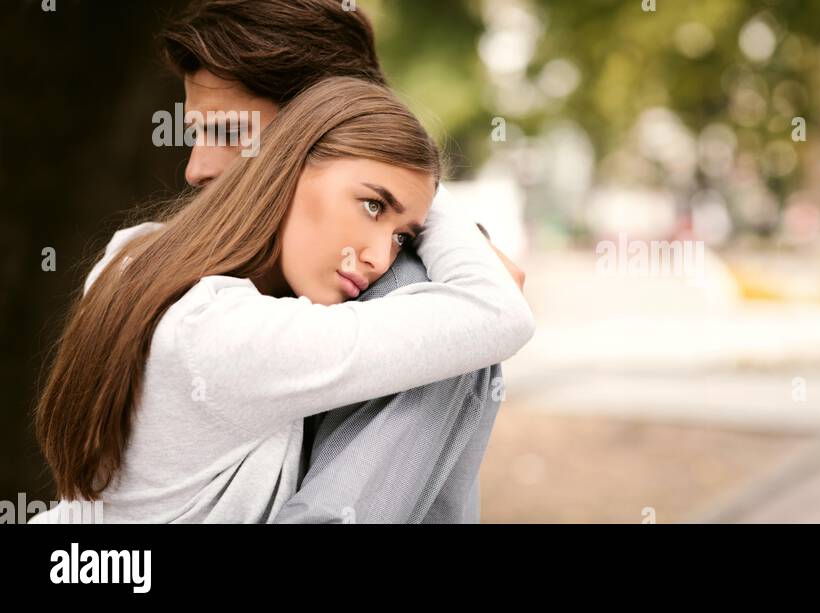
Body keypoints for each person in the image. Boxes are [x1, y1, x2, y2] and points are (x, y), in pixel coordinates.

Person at [33, 76, 534, 523]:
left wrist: (408, 171)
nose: (381, 257)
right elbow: (498, 312)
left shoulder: (130, 260)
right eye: (372, 205)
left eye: (405, 236)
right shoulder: (233, 336)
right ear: (288, 167)